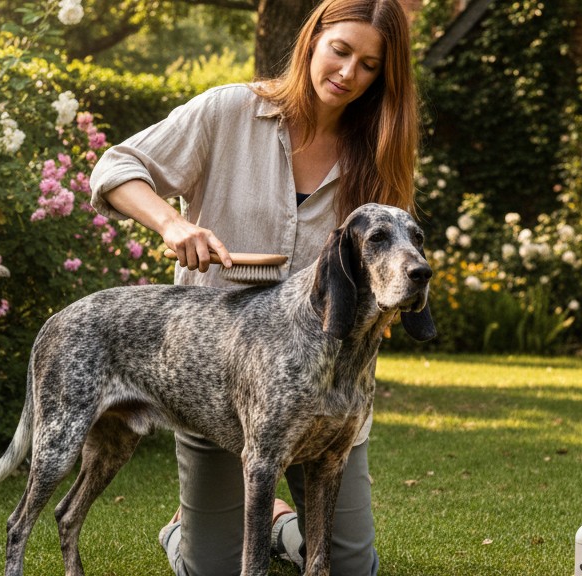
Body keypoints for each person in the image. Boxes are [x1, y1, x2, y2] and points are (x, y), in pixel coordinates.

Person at [88, 0, 419, 573]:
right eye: (340, 51)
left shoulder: (380, 149)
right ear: (312, 39)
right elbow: (116, 167)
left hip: (325, 387)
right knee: (211, 569)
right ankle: (183, 531)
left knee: (350, 568)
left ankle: (278, 521)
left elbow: (388, 264)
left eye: (369, 66)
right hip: (217, 380)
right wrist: (173, 223)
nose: (347, 74)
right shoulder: (231, 110)